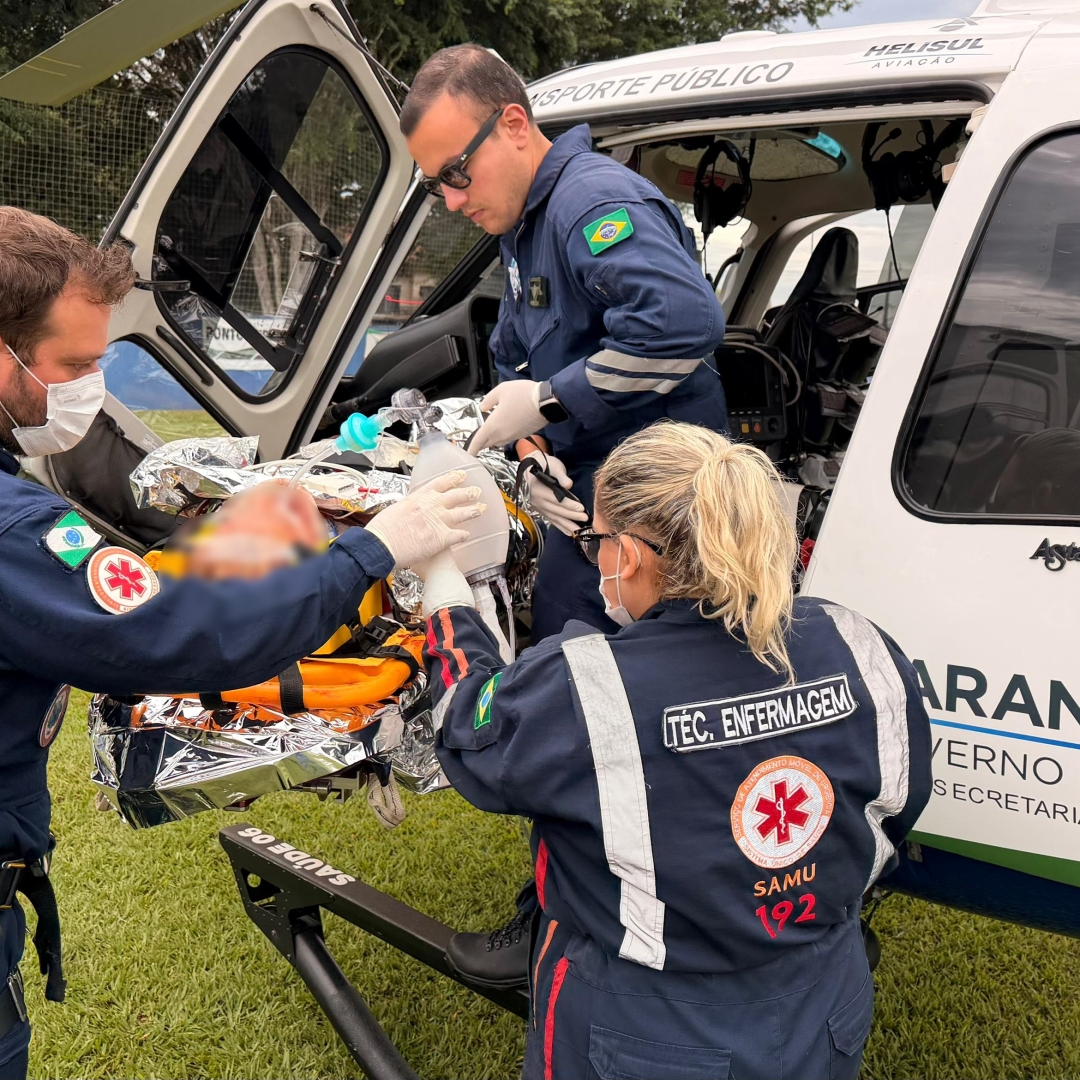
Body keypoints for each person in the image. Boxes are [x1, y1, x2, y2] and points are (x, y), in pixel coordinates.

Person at [0, 207, 481, 1080]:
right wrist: (374, 548)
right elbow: (174, 633)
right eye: (75, 366)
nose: (90, 388)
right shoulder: (12, 531)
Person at [416, 421, 932, 1080]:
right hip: (823, 998)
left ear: (628, 555)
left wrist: (444, 586)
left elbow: (468, 725)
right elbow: (898, 802)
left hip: (647, 1031)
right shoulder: (860, 643)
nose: (596, 558)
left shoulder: (585, 686)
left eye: (596, 542)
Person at [401, 44, 729, 982]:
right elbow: (522, 351)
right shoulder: (526, 226)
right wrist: (534, 436)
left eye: (456, 174)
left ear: (512, 124)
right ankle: (570, 905)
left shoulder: (587, 202)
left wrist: (547, 403)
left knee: (625, 716)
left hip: (660, 529)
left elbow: (680, 326)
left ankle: (600, 916)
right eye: (437, 189)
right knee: (586, 707)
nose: (453, 200)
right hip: (592, 511)